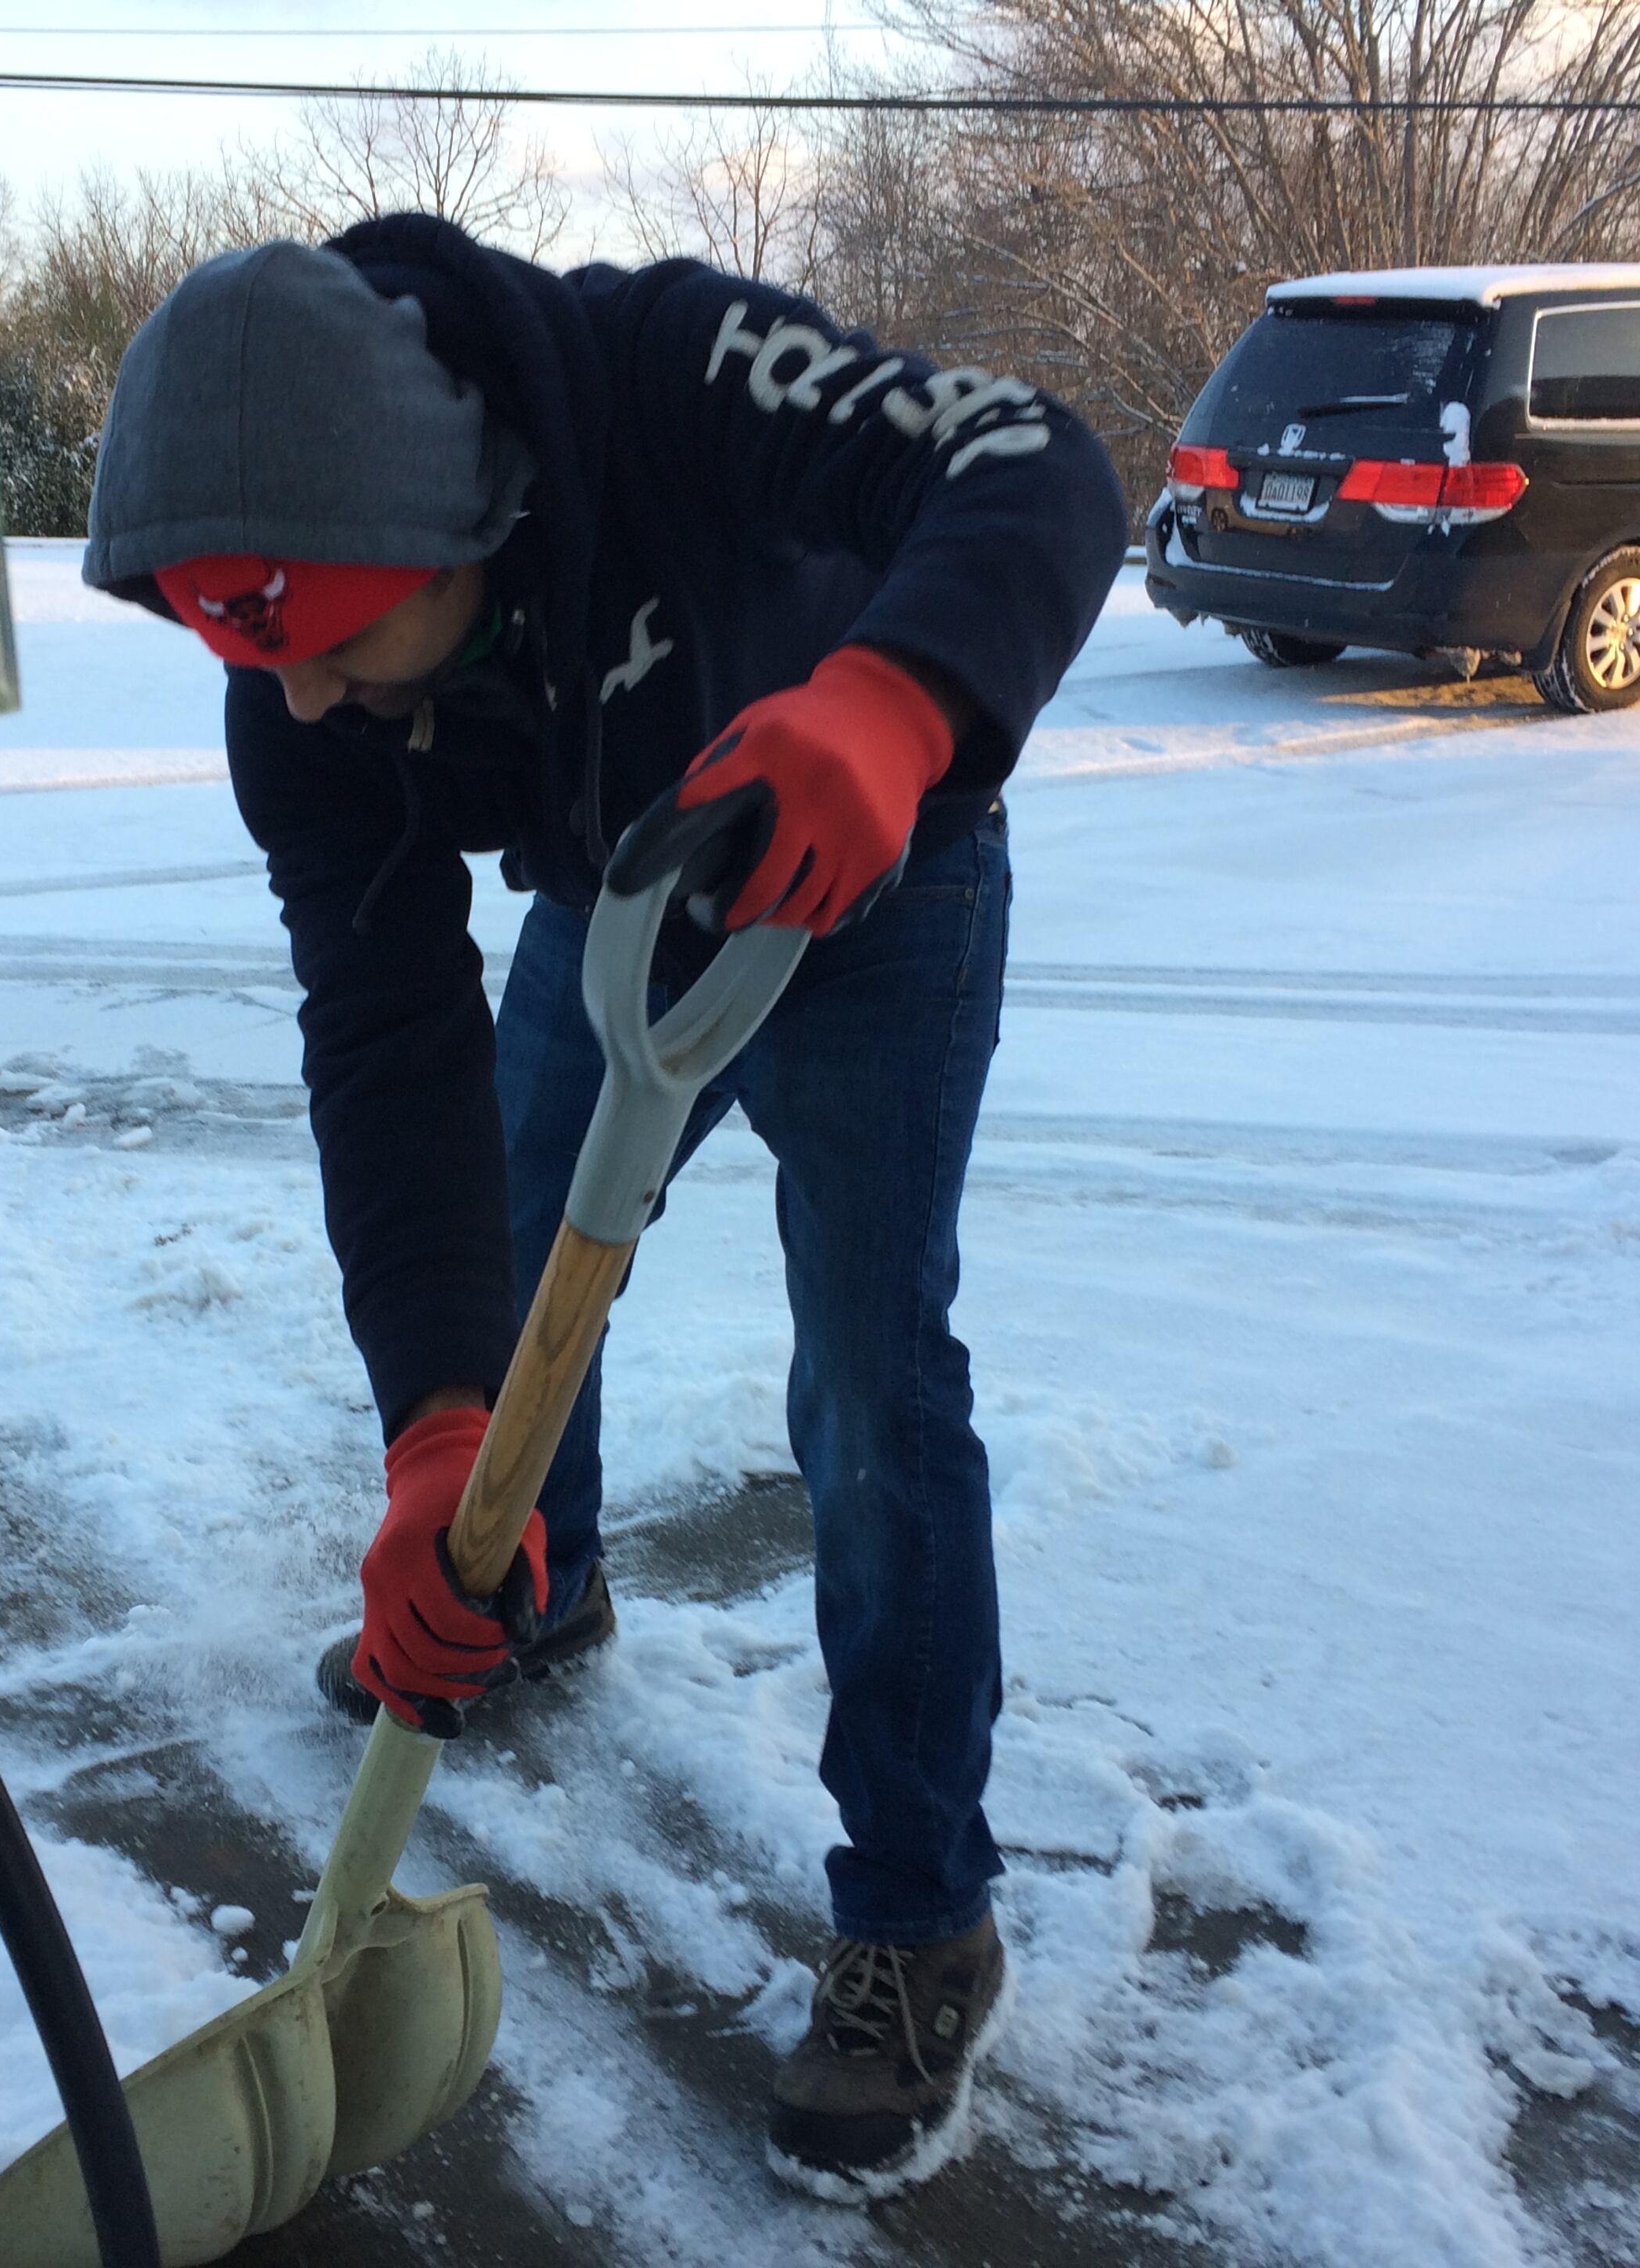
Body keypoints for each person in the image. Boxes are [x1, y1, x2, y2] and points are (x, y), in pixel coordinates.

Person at [82, 213, 1125, 2199]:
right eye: (241, 650)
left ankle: (921, 1916)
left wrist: (899, 702)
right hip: (620, 886)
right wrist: (433, 1436)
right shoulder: (299, 692)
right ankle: (518, 1570)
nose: (289, 707)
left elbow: (1032, 461)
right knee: (513, 1202)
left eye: (313, 645)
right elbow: (384, 1046)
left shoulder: (660, 369)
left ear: (452, 527)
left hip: (878, 868)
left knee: (873, 1392)